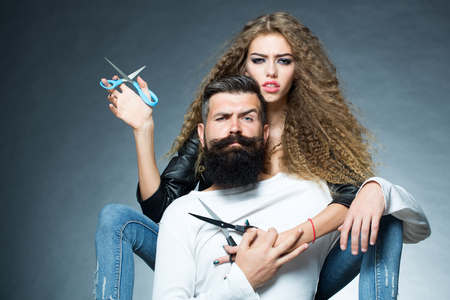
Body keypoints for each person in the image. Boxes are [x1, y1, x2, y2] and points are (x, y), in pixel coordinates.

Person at [96, 12, 431, 299]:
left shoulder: (319, 133)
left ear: (299, 68)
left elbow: (350, 197)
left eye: (283, 61)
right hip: (219, 258)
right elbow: (163, 209)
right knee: (116, 218)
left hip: (299, 259)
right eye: (259, 60)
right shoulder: (225, 129)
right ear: (243, 66)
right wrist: (144, 129)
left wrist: (371, 193)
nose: (270, 72)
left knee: (382, 215)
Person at [152, 75, 427, 299]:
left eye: (247, 118)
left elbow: (415, 227)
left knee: (383, 216)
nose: (234, 128)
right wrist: (243, 280)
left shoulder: (312, 194)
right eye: (222, 118)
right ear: (201, 134)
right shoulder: (181, 213)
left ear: (265, 133)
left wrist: (377, 190)